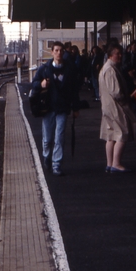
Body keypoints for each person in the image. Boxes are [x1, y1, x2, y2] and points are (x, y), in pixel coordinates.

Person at [32, 41, 80, 176]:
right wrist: (41, 84)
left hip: (62, 108)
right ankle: (46, 155)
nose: (59, 53)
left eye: (61, 51)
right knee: (47, 139)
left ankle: (56, 164)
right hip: (47, 108)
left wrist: (75, 107)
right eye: (56, 50)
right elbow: (34, 83)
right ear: (52, 52)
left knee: (59, 137)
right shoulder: (45, 69)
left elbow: (74, 90)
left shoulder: (69, 70)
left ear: (64, 52)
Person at [100, 44, 136, 173]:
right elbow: (116, 92)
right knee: (122, 133)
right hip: (115, 106)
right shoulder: (111, 70)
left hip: (106, 105)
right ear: (110, 55)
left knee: (110, 135)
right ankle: (116, 163)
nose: (120, 56)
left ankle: (110, 164)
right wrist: (126, 98)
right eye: (117, 53)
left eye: (120, 53)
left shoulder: (106, 68)